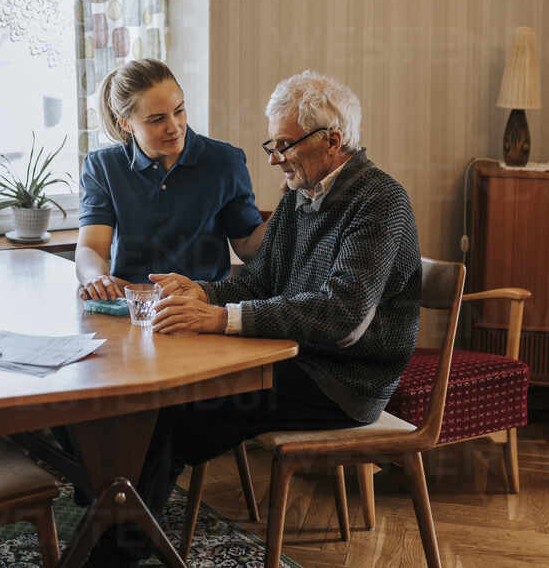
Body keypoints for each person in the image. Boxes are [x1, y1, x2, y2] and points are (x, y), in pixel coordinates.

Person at [89, 70, 423, 566]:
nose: (273, 158)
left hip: (343, 382)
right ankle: (120, 543)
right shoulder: (299, 195)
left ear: (332, 141)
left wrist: (220, 319)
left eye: (284, 144)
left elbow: (342, 319)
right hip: (293, 361)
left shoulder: (379, 201)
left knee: (175, 410)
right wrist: (199, 290)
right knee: (164, 409)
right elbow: (259, 280)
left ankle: (114, 556)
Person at [74, 58, 267, 301]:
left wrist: (293, 201)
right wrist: (95, 278)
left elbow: (248, 246)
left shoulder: (225, 160)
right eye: (157, 120)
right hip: (132, 308)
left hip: (202, 306)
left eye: (179, 111)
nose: (174, 127)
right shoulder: (103, 167)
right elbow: (91, 248)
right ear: (126, 123)